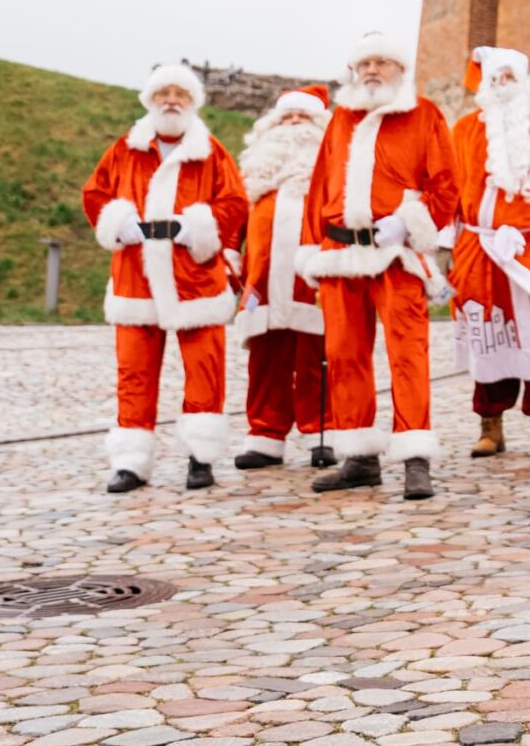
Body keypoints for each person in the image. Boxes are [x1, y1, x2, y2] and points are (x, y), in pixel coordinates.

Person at [297, 32, 459, 501]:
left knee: (408, 355)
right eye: (364, 63)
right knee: (345, 355)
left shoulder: (423, 115)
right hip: (339, 254)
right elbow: (320, 186)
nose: (371, 71)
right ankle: (360, 457)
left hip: (396, 255)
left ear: (399, 68)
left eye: (381, 63)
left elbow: (446, 183)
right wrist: (312, 250)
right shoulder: (341, 120)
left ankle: (415, 458)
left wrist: (408, 222)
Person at [79, 64, 248, 493]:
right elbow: (95, 194)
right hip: (136, 278)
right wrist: (119, 222)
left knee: (205, 371)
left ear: (193, 103)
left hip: (195, 279)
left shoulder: (212, 152)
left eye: (181, 94)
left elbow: (234, 202)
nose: (171, 100)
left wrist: (198, 227)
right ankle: (131, 462)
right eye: (164, 94)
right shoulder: (125, 150)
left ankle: (201, 457)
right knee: (134, 372)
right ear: (150, 101)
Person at [452, 46, 530, 459]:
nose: (503, 84)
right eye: (497, 78)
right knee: (488, 336)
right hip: (479, 248)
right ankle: (490, 424)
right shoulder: (465, 130)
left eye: (511, 77)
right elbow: (453, 184)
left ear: (525, 81)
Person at [231, 89, 332, 471]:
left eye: (302, 119)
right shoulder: (256, 171)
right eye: (286, 118)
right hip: (263, 278)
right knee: (265, 358)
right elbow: (235, 217)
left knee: (315, 358)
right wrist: (228, 254)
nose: (293, 126)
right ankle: (265, 434)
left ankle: (320, 431)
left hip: (313, 278)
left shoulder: (329, 169)